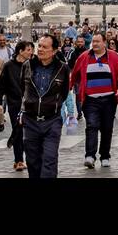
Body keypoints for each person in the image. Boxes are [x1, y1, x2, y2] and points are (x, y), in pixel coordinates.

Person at [71, 32, 118, 169]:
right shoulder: (84, 57)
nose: (94, 44)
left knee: (107, 128)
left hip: (109, 99)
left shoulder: (114, 57)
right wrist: (72, 86)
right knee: (91, 126)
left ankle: (105, 156)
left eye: (97, 41)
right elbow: (75, 74)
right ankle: (89, 156)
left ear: (104, 43)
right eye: (93, 41)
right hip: (90, 100)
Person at [20, 34, 69, 178]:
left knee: (50, 159)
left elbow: (64, 92)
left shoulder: (63, 69)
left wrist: (53, 104)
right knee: (32, 161)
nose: (40, 49)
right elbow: (22, 88)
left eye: (45, 47)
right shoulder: (27, 65)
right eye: (39, 46)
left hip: (52, 120)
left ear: (54, 51)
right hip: (31, 120)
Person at [0, 38, 32, 172]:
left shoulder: (31, 65)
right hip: (14, 103)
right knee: (18, 130)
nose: (30, 52)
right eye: (28, 50)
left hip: (30, 104)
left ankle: (23, 158)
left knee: (27, 132)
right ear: (20, 51)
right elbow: (1, 85)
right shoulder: (9, 66)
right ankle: (19, 160)